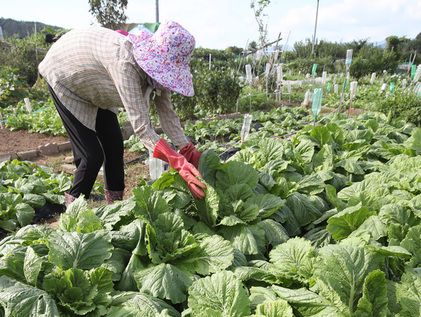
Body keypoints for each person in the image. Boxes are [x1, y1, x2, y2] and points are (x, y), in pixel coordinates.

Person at [38, 21, 206, 205]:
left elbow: (167, 114)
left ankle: (115, 207)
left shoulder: (160, 74)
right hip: (66, 75)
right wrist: (176, 161)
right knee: (91, 156)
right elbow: (142, 128)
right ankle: (72, 212)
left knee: (114, 146)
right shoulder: (126, 63)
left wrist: (186, 148)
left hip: (97, 83)